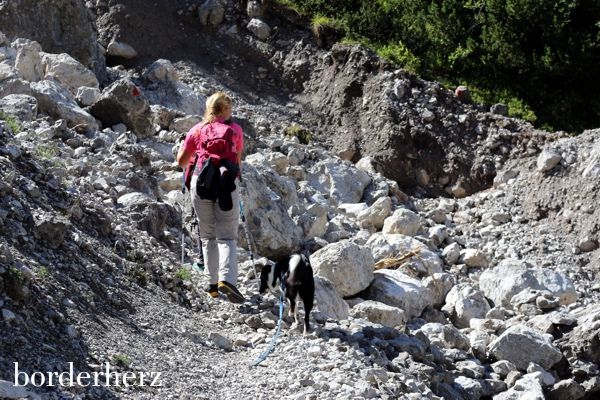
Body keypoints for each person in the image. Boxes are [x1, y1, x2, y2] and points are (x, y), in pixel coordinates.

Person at [177, 92, 245, 303]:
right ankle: (227, 279)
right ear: (225, 109)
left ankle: (211, 284)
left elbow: (181, 162)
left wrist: (182, 146)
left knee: (207, 236)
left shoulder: (196, 130)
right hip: (226, 183)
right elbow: (238, 163)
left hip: (202, 183)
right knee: (227, 236)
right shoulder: (235, 129)